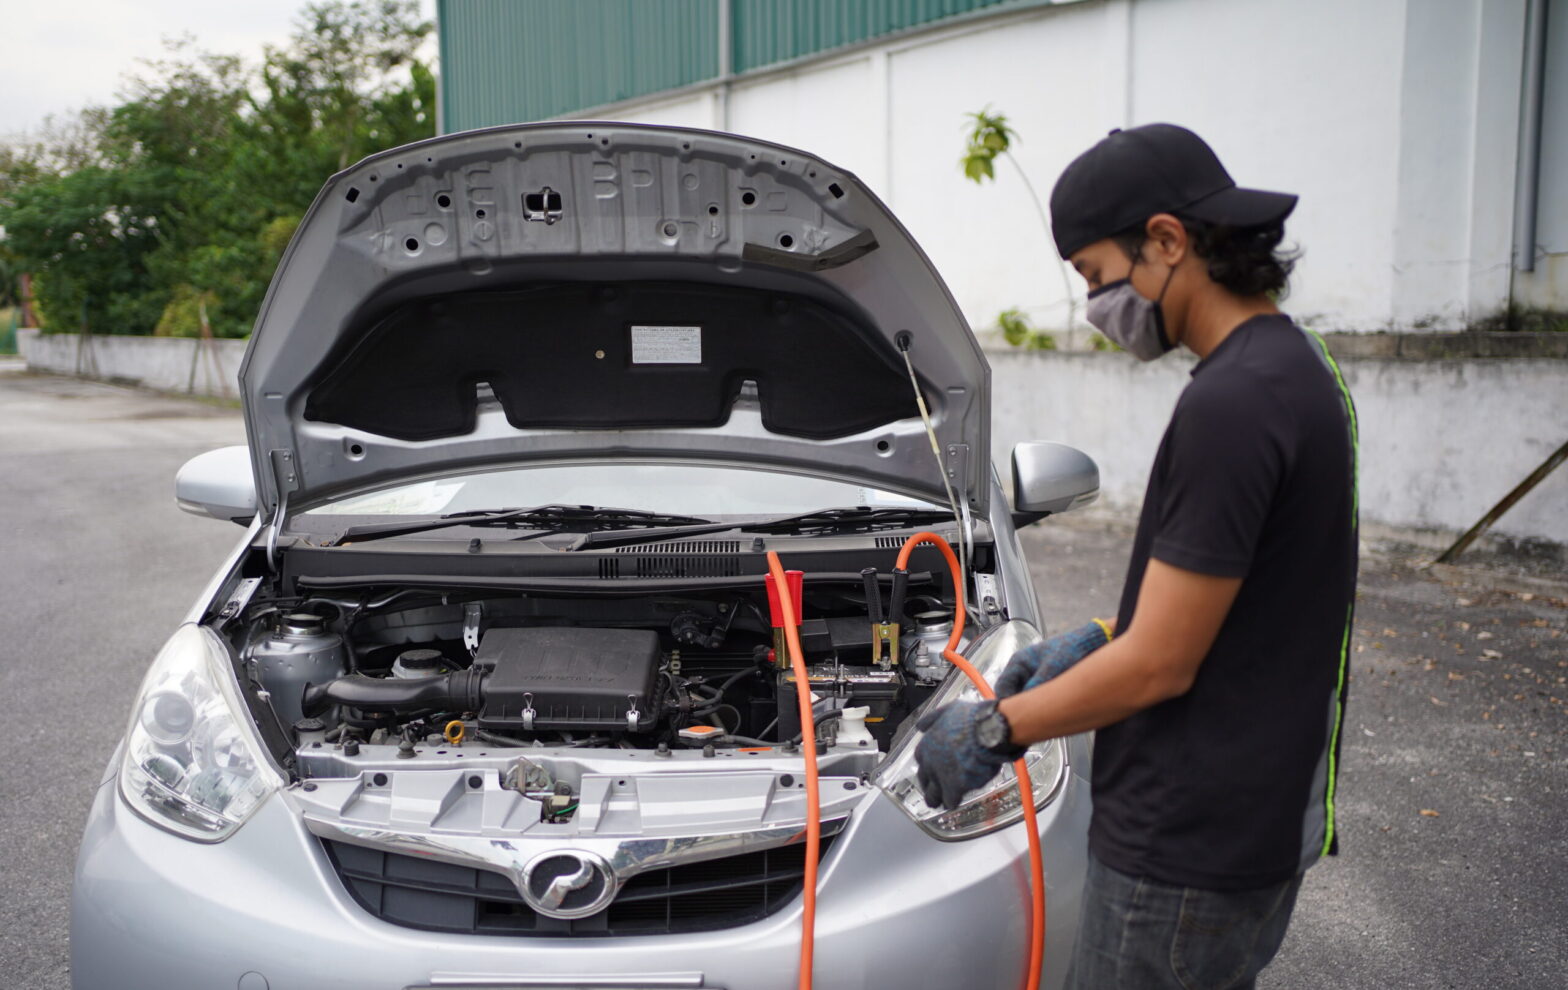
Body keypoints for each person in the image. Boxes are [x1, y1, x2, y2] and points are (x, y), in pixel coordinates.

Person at [913, 123, 1358, 989]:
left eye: (1092, 274)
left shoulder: (1231, 405)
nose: (1093, 305)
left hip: (1185, 848)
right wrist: (1101, 632)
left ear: (1165, 239)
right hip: (1257, 818)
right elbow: (1255, 591)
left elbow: (1159, 666)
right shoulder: (1301, 370)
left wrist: (997, 730)